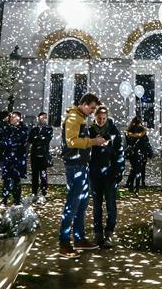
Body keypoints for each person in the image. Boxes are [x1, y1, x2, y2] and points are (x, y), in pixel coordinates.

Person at [58, 93, 107, 256]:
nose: (93, 111)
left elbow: (79, 139)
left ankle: (79, 238)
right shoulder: (73, 118)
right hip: (74, 165)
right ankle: (64, 242)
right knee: (73, 203)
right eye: (92, 108)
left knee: (82, 203)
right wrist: (93, 142)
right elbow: (71, 141)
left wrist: (92, 140)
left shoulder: (80, 117)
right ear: (84, 104)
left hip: (81, 164)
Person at [89, 105, 125, 248]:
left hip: (110, 174)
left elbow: (119, 152)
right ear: (95, 117)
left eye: (104, 118)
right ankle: (97, 233)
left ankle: (109, 233)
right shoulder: (90, 131)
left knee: (111, 204)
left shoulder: (113, 131)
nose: (101, 121)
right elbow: (85, 150)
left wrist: (118, 172)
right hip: (95, 173)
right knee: (97, 205)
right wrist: (93, 143)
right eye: (99, 118)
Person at [0, 111, 30, 206]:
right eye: (10, 117)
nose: (11, 118)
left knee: (17, 180)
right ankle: (4, 200)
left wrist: (9, 143)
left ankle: (17, 200)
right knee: (6, 179)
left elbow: (21, 141)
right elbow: (1, 139)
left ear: (19, 118)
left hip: (18, 158)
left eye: (14, 117)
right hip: (7, 157)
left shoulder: (23, 129)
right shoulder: (5, 127)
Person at [29, 112, 53, 198]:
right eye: (42, 117)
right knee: (34, 174)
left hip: (43, 154)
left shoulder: (49, 128)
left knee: (43, 174)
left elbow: (47, 139)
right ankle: (34, 192)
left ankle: (43, 193)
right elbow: (30, 139)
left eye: (46, 117)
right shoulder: (34, 128)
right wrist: (38, 138)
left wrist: (38, 138)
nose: (44, 119)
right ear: (38, 118)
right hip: (34, 154)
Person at [125, 116, 153, 192]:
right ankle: (140, 185)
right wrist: (149, 152)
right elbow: (146, 143)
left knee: (134, 169)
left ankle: (130, 184)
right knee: (141, 169)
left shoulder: (128, 132)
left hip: (133, 153)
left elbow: (128, 143)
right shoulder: (142, 132)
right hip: (142, 153)